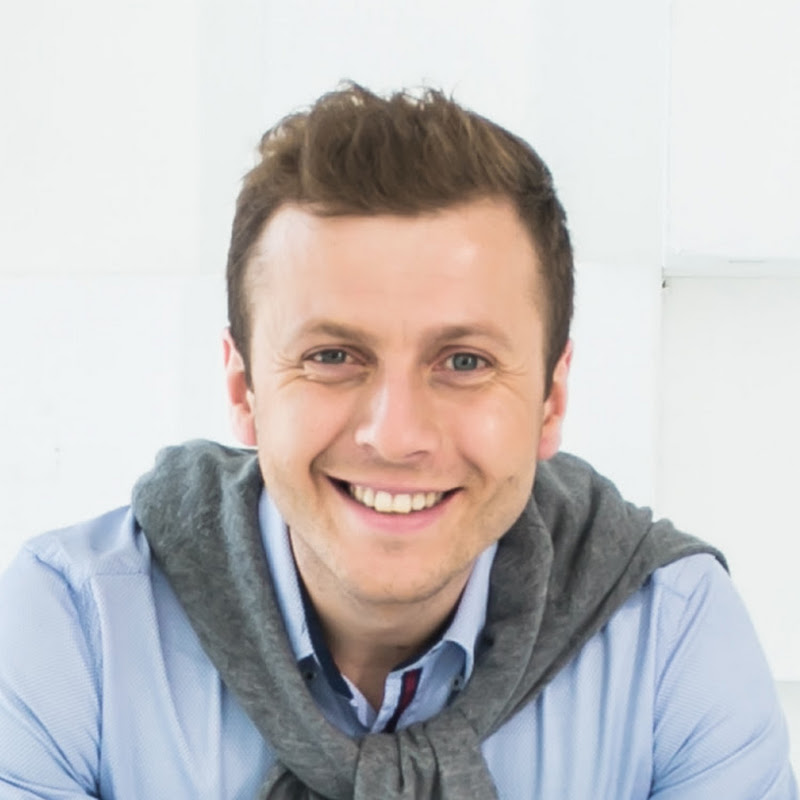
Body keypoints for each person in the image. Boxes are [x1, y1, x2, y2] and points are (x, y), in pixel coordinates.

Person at [0, 84, 796, 800]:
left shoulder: (671, 632)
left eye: (464, 362)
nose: (397, 435)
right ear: (244, 391)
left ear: (551, 399)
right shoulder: (75, 626)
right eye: (332, 356)